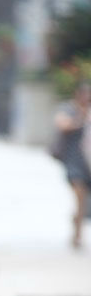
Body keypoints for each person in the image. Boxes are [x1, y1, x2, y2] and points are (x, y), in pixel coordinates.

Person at [53, 80, 91, 249]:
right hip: (74, 161)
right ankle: (77, 234)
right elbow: (62, 124)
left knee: (83, 202)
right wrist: (81, 118)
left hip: (88, 162)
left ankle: (77, 228)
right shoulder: (68, 109)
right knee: (79, 197)